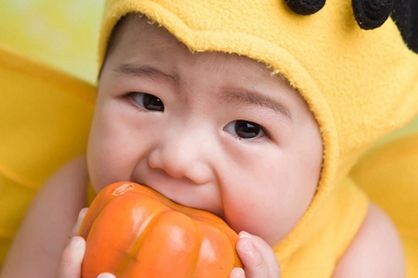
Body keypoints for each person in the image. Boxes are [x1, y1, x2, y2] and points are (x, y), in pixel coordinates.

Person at [2, 0, 418, 277]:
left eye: (247, 128)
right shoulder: (74, 197)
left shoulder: (359, 248)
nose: (177, 158)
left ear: (329, 162)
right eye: (148, 100)